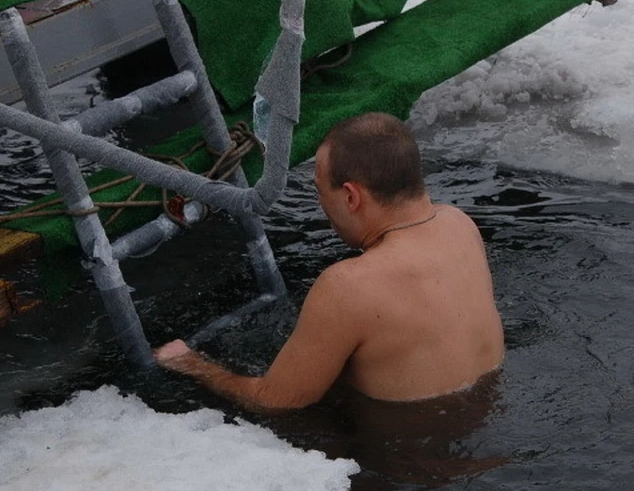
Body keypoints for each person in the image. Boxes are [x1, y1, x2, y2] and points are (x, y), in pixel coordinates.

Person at [155, 112, 504, 412]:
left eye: (320, 191)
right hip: (486, 413)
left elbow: (276, 401)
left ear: (351, 196)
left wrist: (193, 365)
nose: (322, 208)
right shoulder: (459, 224)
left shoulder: (348, 286)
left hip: (409, 458)